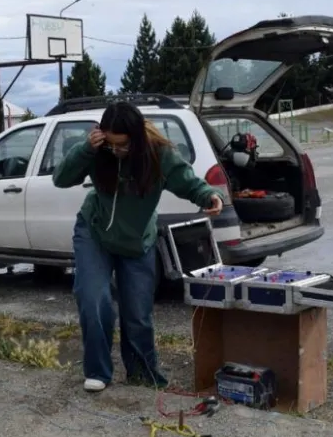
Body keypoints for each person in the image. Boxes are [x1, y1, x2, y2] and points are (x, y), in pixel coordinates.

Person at [53, 102, 223, 392]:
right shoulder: (96, 151)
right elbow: (61, 178)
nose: (117, 150)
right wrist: (86, 150)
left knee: (138, 314)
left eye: (123, 145)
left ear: (137, 138)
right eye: (111, 144)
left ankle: (143, 374)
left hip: (137, 239)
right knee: (94, 299)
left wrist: (209, 196)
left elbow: (187, 181)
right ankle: (98, 372)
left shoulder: (158, 153)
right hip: (95, 233)